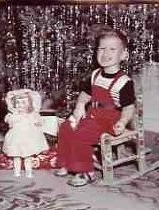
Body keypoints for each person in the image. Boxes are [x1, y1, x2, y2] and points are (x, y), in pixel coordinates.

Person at [55, 29, 136, 187]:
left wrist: (123, 121)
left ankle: (85, 171)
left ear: (123, 55)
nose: (106, 53)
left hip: (109, 119)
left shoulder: (124, 82)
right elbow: (86, 94)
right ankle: (66, 162)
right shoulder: (95, 75)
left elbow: (128, 107)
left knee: (81, 135)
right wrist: (79, 106)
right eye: (101, 48)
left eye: (112, 49)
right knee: (65, 127)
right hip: (92, 115)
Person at [2, 89, 49, 178]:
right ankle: (17, 170)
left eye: (23, 103)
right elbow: (9, 122)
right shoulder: (13, 115)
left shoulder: (32, 114)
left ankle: (28, 171)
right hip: (16, 139)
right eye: (18, 103)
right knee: (16, 155)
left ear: (29, 104)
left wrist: (36, 120)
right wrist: (13, 117)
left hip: (28, 138)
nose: (20, 105)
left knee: (28, 156)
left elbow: (38, 122)